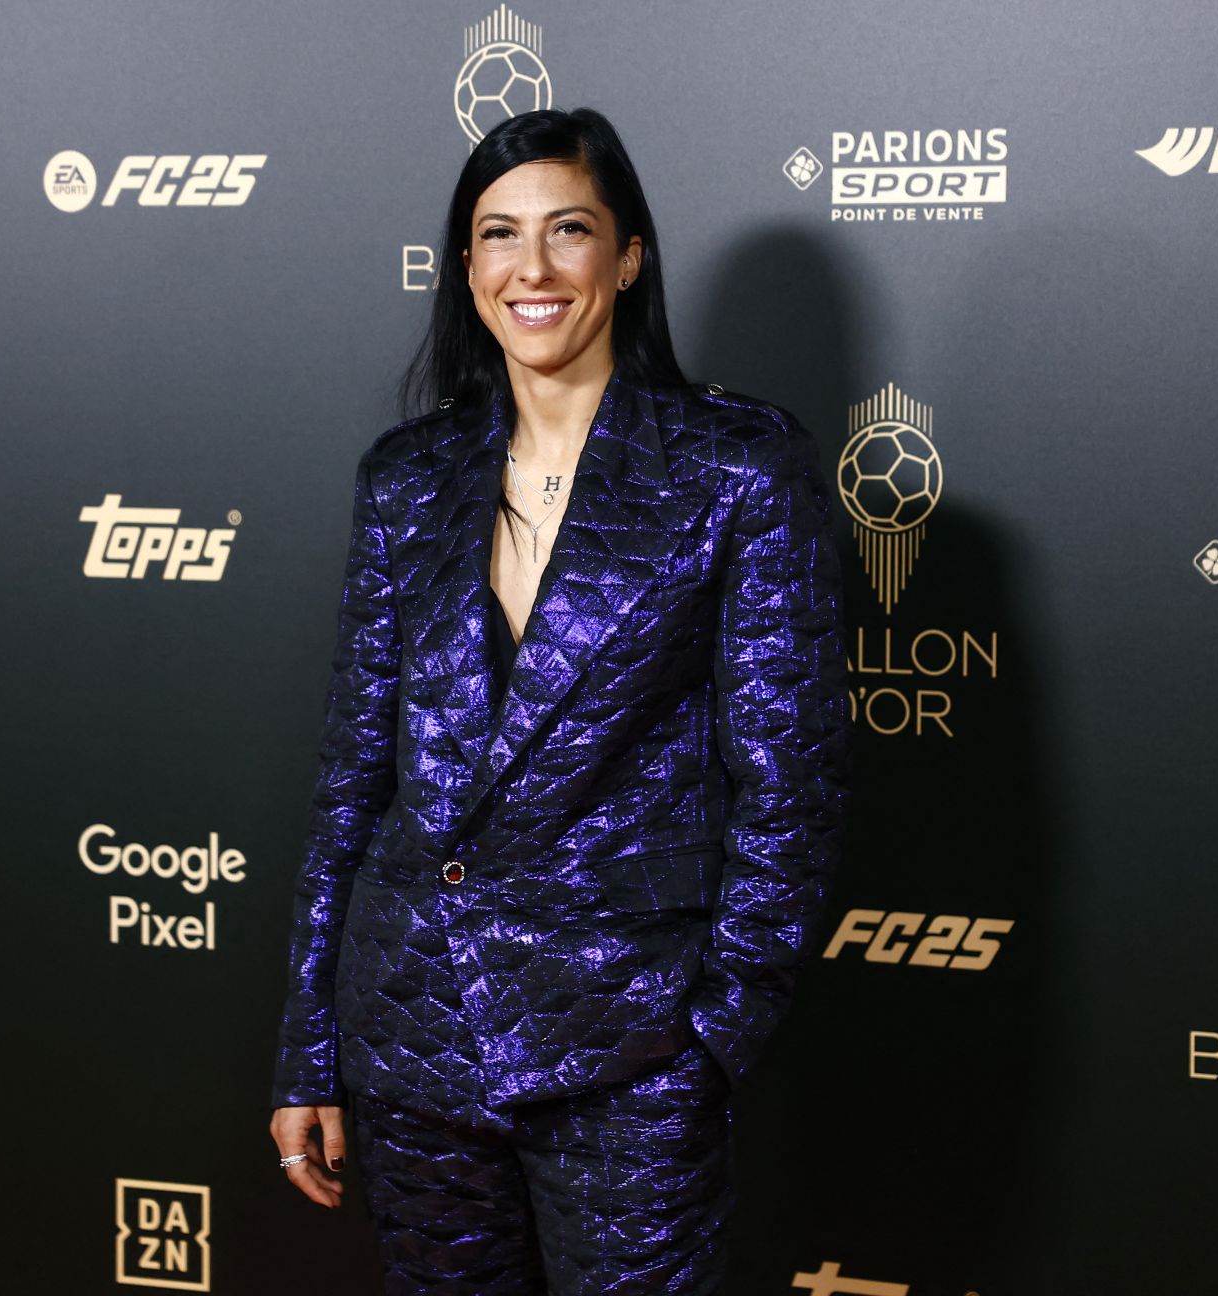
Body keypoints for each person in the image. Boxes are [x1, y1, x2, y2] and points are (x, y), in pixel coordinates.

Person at [268, 106, 850, 1294]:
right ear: (467, 267)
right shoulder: (406, 479)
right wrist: (308, 1049)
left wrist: (711, 1044)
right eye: (497, 236)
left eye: (567, 230)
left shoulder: (737, 472)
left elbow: (791, 790)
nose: (531, 271)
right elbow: (351, 786)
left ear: (626, 256)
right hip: (413, 1038)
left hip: (627, 1053)